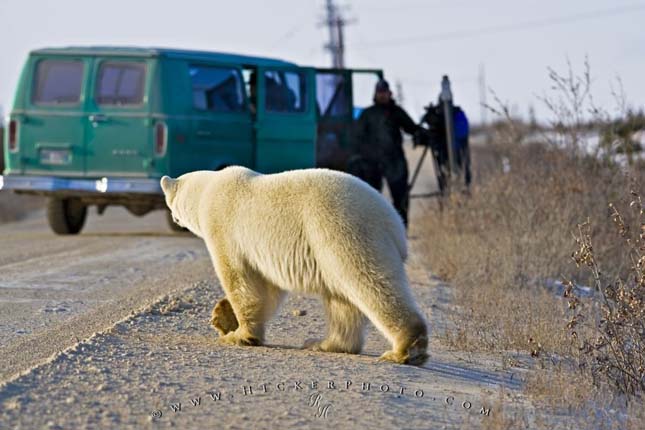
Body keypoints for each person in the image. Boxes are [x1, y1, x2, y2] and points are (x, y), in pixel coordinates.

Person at [351, 79, 421, 227]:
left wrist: (424, 134)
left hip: (394, 161)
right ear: (375, 94)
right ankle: (373, 233)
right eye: (379, 93)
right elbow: (356, 137)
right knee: (371, 199)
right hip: (372, 164)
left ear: (390, 93)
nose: (382, 95)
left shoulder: (397, 112)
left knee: (400, 198)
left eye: (384, 92)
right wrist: (361, 158)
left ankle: (401, 230)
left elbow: (412, 128)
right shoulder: (367, 114)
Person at [421, 101, 471, 194]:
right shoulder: (441, 115)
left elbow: (462, 133)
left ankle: (457, 191)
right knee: (445, 177)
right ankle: (448, 192)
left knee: (458, 176)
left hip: (457, 152)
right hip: (443, 153)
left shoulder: (457, 114)